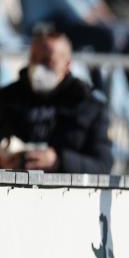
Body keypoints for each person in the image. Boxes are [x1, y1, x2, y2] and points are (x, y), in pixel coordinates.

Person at [0, 30, 112, 174]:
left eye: (48, 61)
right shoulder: (6, 98)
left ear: (67, 64)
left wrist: (58, 161)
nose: (38, 67)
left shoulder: (89, 106)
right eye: (34, 58)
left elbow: (103, 165)